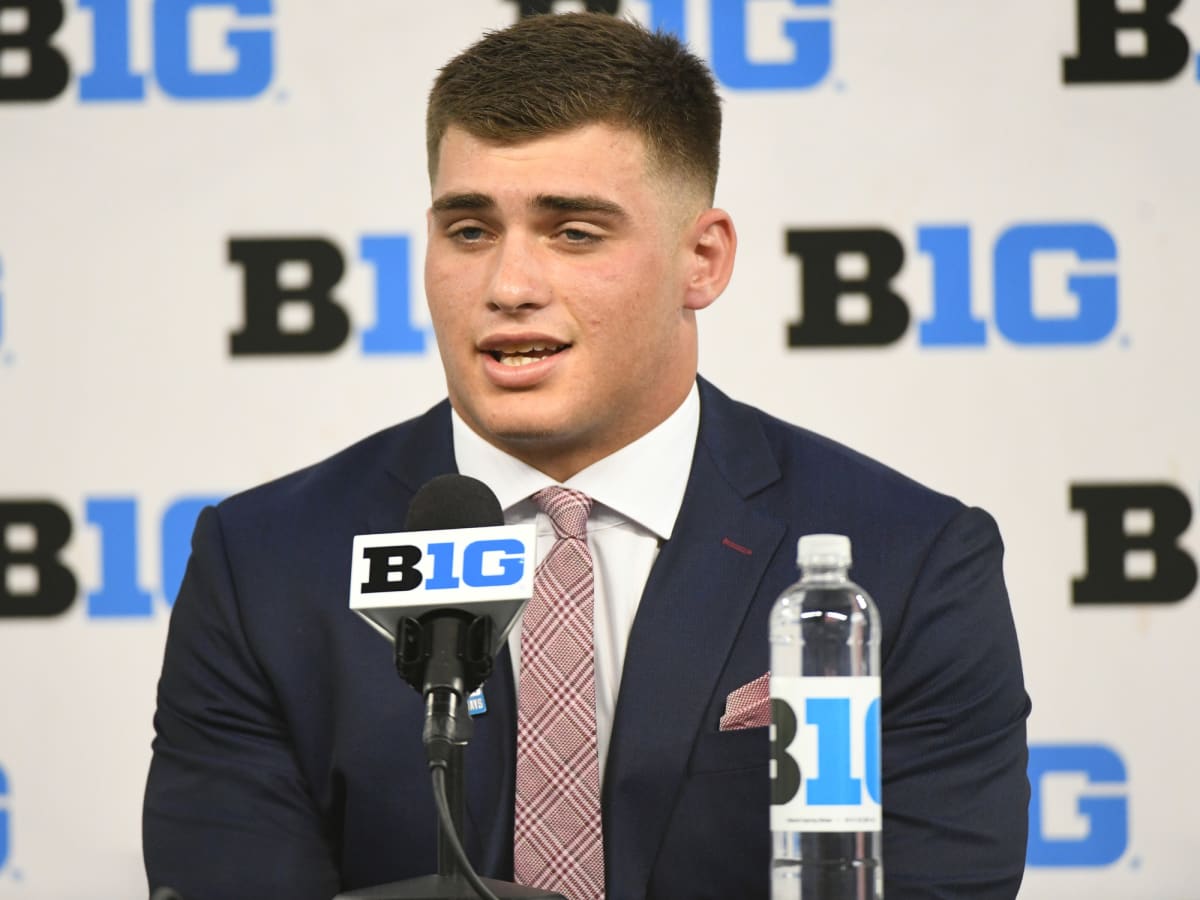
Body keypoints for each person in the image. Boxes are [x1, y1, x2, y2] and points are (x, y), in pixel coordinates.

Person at [143, 12, 1030, 900]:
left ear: (704, 259)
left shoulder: (909, 561)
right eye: (469, 230)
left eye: (574, 232)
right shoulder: (264, 563)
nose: (510, 287)